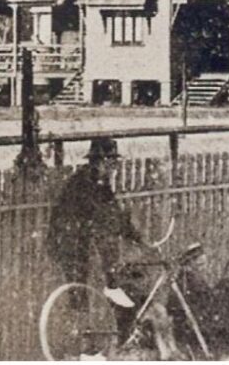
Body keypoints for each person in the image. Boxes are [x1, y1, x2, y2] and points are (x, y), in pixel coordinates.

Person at [46, 137, 145, 339]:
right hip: (68, 240)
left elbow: (113, 211)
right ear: (101, 161)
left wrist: (134, 236)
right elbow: (102, 214)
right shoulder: (83, 182)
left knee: (85, 286)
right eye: (112, 162)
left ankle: (109, 294)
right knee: (79, 290)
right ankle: (85, 342)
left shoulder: (99, 182)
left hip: (79, 238)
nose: (114, 167)